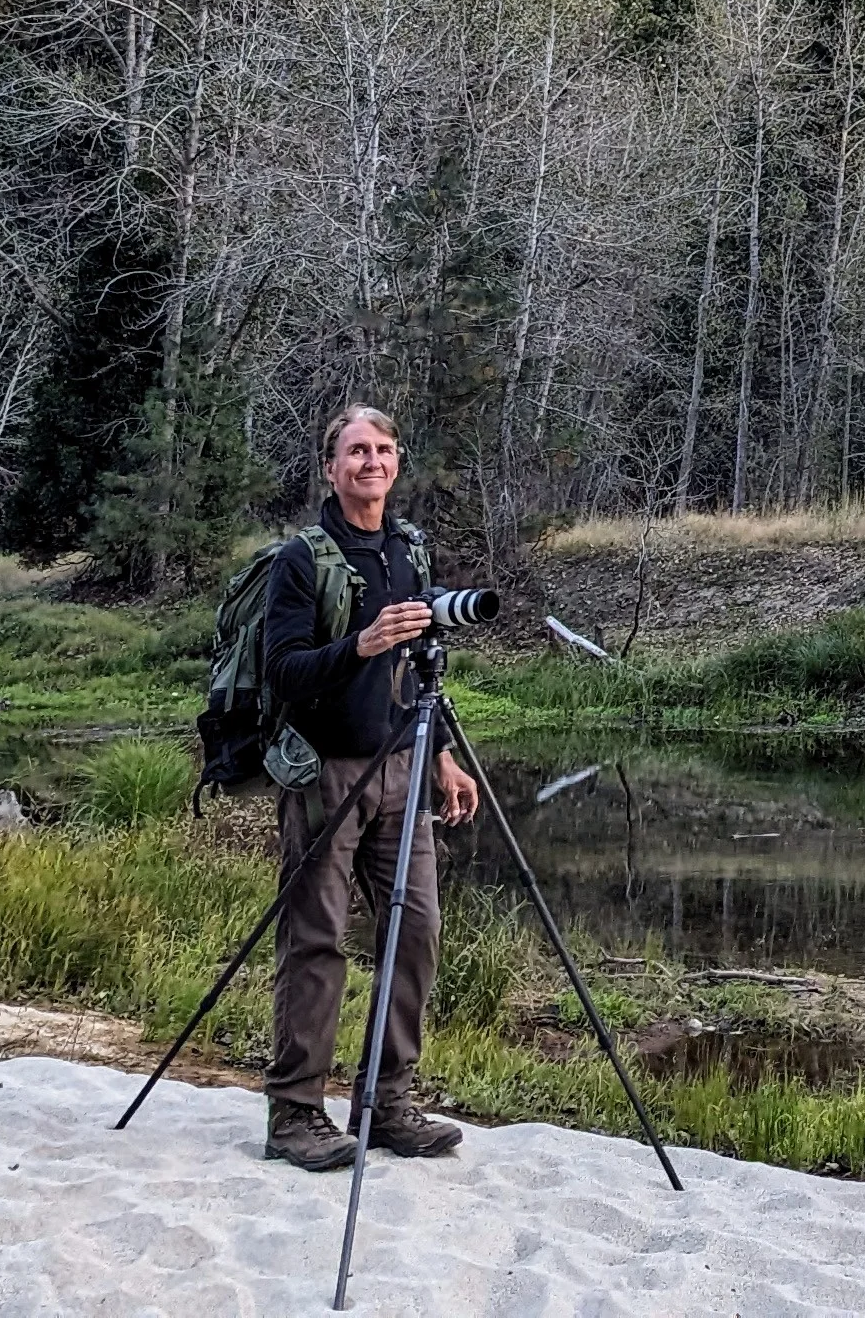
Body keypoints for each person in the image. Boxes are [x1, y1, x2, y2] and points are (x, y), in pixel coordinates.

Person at [257, 403, 478, 1171]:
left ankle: (386, 1103)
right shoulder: (301, 558)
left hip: (404, 764)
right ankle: (295, 1113)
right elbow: (282, 668)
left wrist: (443, 753)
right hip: (324, 771)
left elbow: (421, 668)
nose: (371, 463)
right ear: (331, 466)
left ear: (397, 460)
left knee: (416, 929)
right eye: (356, 451)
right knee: (317, 939)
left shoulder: (409, 547)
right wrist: (358, 643)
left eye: (383, 450)